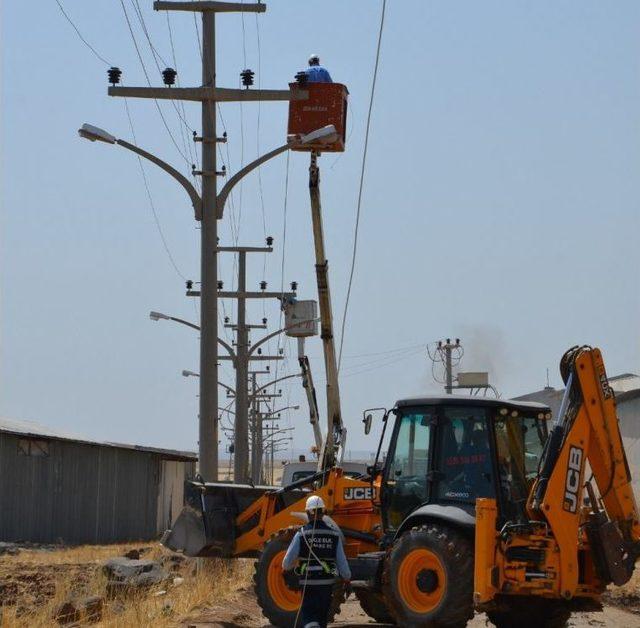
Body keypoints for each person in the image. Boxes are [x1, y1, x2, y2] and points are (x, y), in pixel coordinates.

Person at [282, 495, 351, 628]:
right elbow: (342, 563)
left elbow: (287, 562)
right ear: (323, 512)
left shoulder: (301, 534)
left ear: (307, 513)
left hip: (308, 584)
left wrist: (286, 571)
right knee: (321, 618)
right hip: (326, 585)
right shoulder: (334, 534)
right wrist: (347, 579)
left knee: (309, 617)